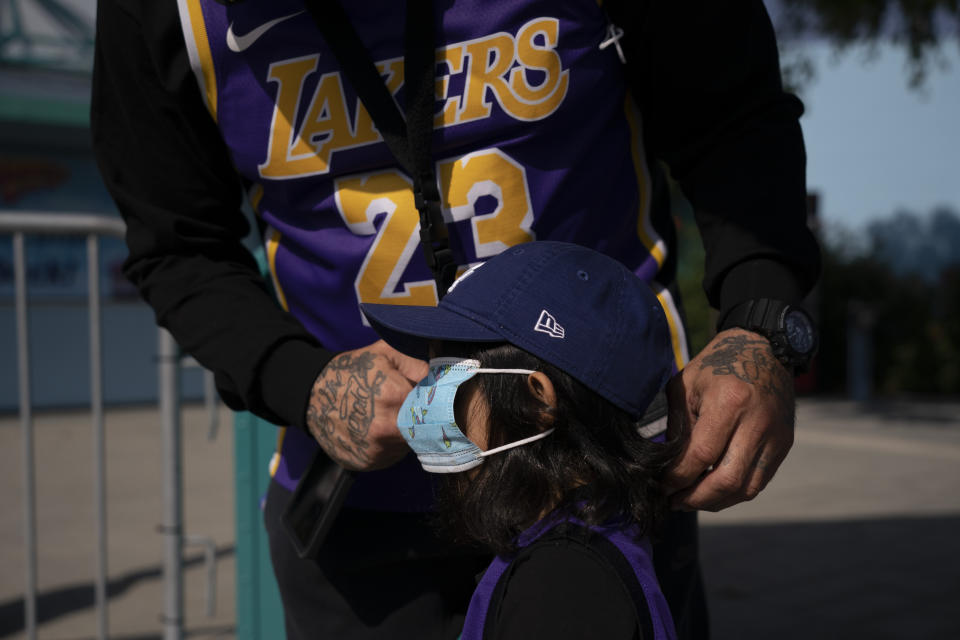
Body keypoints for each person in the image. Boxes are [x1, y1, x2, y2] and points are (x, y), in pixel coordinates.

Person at [91, 1, 820, 638]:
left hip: (597, 477)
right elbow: (176, 245)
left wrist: (759, 323)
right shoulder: (163, 12)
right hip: (357, 507)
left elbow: (734, 118)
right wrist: (302, 383)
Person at [361, 240, 682, 639]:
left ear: (536, 402)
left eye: (445, 377)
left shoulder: (564, 585)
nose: (420, 406)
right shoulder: (573, 548)